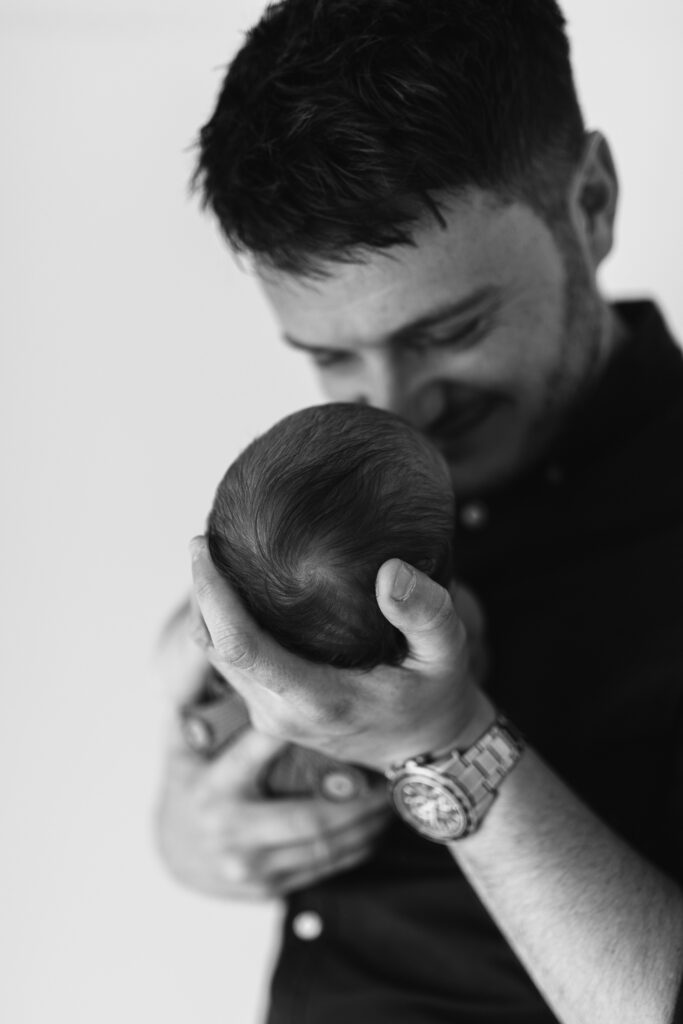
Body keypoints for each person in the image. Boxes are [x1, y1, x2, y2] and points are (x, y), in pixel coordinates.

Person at [154, 1, 683, 1021]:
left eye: (452, 328)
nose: (395, 408)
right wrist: (197, 831)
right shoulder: (331, 501)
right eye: (331, 356)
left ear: (592, 202)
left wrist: (446, 742)